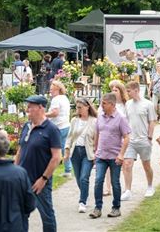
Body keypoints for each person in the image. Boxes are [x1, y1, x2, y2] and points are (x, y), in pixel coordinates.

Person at [15, 95, 61, 232]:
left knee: (46, 214)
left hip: (39, 181)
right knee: (21, 214)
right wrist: (15, 171)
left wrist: (44, 179)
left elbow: (56, 157)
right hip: (22, 179)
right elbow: (20, 150)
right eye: (27, 106)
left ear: (41, 107)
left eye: (30, 106)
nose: (27, 109)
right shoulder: (27, 126)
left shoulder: (51, 129)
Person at [89, 93, 130, 219]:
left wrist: (121, 155)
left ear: (112, 105)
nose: (101, 105)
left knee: (115, 183)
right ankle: (97, 208)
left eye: (104, 103)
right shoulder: (99, 117)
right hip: (101, 156)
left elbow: (127, 137)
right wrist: (95, 151)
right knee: (98, 181)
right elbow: (97, 134)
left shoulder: (121, 118)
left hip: (114, 157)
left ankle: (116, 208)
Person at [121, 81, 157, 201]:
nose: (128, 93)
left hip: (143, 140)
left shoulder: (148, 104)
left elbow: (152, 121)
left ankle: (150, 186)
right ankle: (127, 190)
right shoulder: (128, 104)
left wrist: (150, 137)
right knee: (127, 164)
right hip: (131, 140)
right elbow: (126, 120)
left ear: (136, 90)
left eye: (129, 90)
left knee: (146, 165)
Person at [64, 98, 97, 213]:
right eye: (77, 108)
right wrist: (67, 151)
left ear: (87, 107)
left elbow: (97, 139)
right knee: (78, 178)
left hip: (87, 152)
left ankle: (82, 201)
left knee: (84, 177)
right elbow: (69, 137)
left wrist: (96, 155)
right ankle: (85, 194)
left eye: (80, 107)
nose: (78, 110)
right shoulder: (74, 121)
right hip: (75, 152)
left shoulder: (94, 121)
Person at [46, 80, 72, 177]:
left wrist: (43, 115)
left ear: (57, 89)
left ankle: (50, 169)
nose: (50, 91)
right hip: (66, 125)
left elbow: (55, 113)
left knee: (53, 149)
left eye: (52, 89)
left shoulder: (56, 99)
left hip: (58, 127)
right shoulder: (64, 98)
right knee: (65, 148)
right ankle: (68, 169)